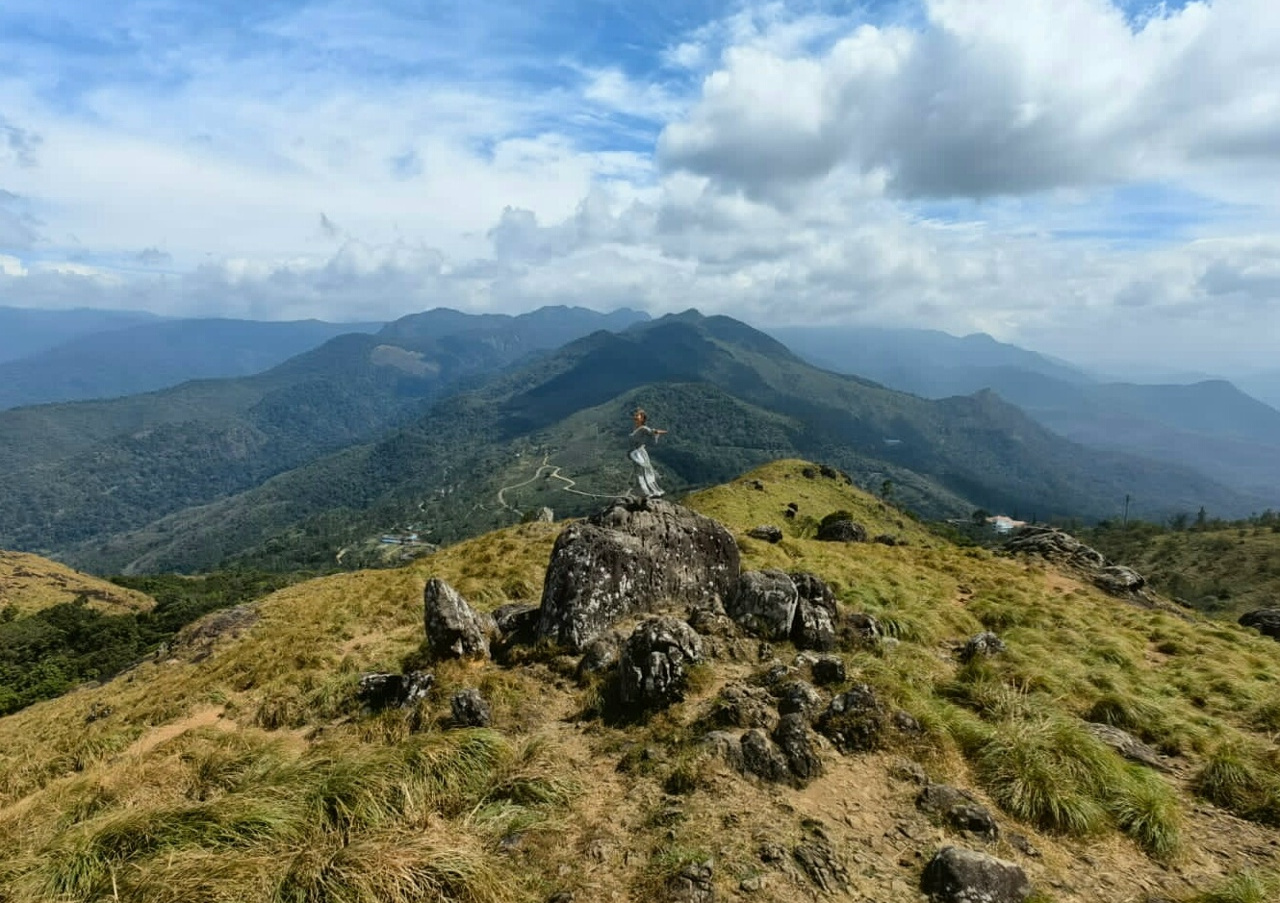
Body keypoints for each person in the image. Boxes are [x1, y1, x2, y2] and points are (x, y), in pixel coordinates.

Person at [628, 408, 667, 498]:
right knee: (638, 471)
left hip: (639, 453)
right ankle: (642, 491)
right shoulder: (635, 429)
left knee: (642, 471)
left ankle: (647, 491)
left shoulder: (643, 428)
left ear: (642, 418)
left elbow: (652, 432)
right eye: (635, 415)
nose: (635, 417)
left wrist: (659, 432)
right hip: (635, 453)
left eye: (637, 415)